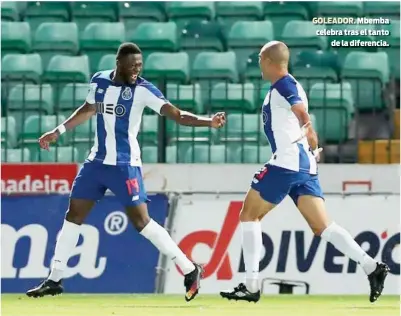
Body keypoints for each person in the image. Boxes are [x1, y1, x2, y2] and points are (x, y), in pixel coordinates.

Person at [26, 42, 226, 301]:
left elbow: (177, 115)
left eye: (140, 66)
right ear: (118, 63)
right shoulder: (98, 81)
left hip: (125, 165)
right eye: (133, 66)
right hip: (96, 163)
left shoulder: (143, 90)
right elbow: (88, 108)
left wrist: (207, 122)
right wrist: (59, 131)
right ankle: (55, 278)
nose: (137, 70)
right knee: (73, 214)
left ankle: (189, 269)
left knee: (141, 223)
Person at [220, 41, 389, 303]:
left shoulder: (284, 84)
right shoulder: (286, 85)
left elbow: (300, 110)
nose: (258, 64)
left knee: (249, 215)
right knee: (323, 226)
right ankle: (372, 267)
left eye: (260, 59)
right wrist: (308, 140)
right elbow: (296, 113)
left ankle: (251, 285)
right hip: (303, 164)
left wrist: (309, 130)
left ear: (268, 61)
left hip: (287, 162)